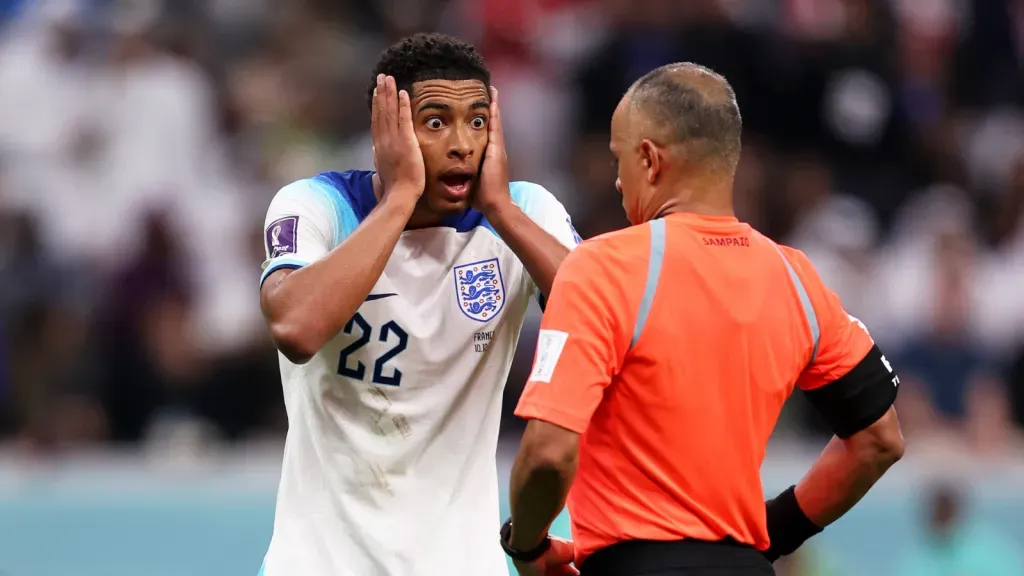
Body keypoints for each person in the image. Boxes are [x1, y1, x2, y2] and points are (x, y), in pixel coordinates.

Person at [501, 63, 906, 576]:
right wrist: (771, 534)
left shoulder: (603, 267)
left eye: (618, 160)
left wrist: (529, 548)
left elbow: (547, 458)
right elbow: (879, 440)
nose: (618, 180)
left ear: (649, 160)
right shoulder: (795, 278)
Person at [256, 33, 580, 576]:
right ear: (386, 131)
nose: (462, 144)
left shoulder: (525, 213)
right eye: (436, 122)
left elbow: (606, 319)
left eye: (477, 121)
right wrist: (401, 197)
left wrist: (501, 210)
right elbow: (295, 327)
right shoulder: (316, 205)